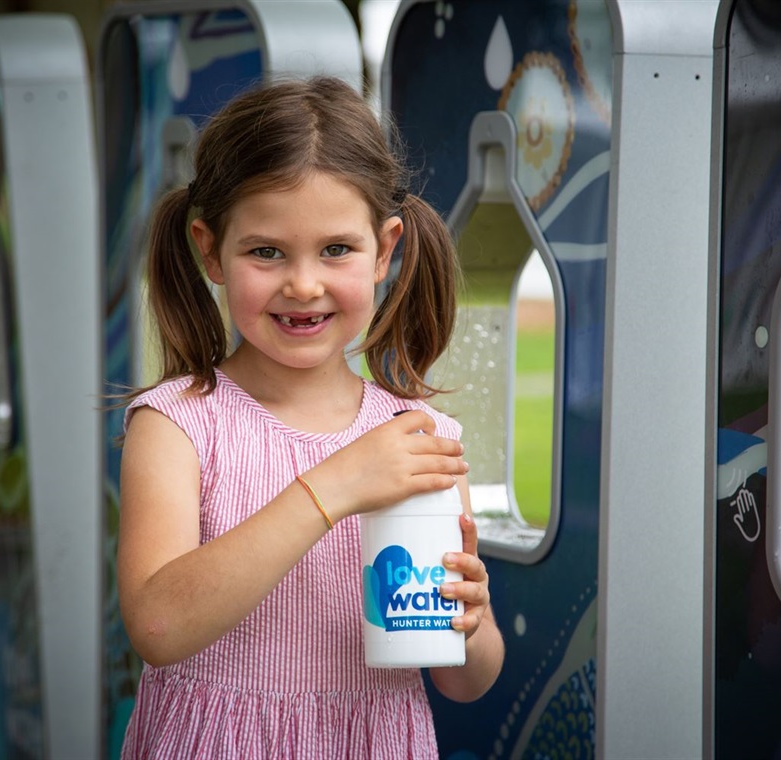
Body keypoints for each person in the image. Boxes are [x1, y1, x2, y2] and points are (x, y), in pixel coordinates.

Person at [117, 75, 505, 759]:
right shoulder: (178, 425)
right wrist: (335, 486)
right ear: (210, 250)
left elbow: (463, 681)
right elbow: (157, 624)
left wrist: (471, 625)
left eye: (336, 249)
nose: (303, 283)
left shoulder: (419, 441)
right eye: (266, 251)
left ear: (385, 250)